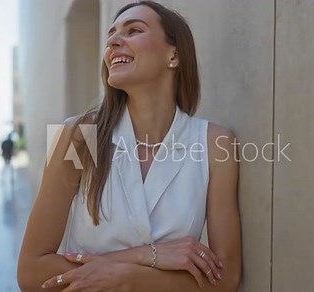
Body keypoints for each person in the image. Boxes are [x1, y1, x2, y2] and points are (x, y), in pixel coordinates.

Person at [17, 1, 242, 291]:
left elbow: (226, 279)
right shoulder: (79, 136)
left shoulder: (214, 143)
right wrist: (147, 257)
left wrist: (127, 277)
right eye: (111, 35)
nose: (113, 41)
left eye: (134, 30)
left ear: (174, 55)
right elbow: (31, 272)